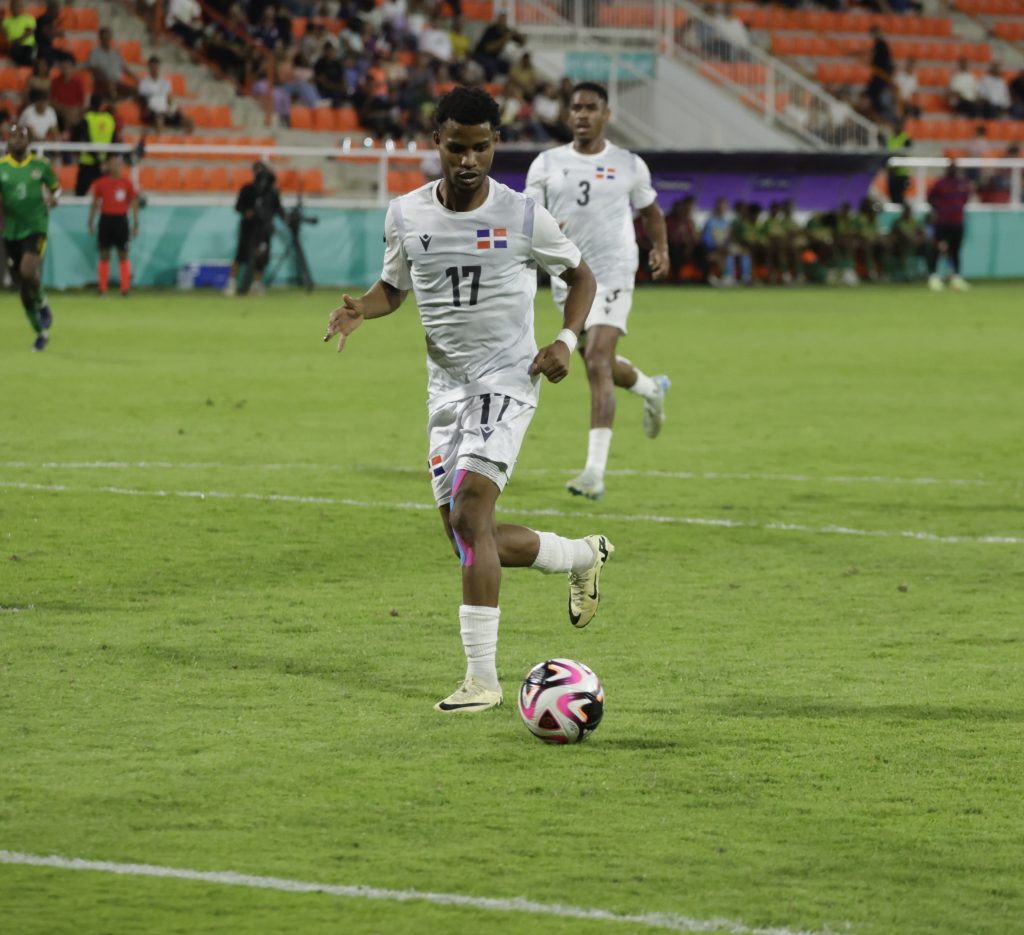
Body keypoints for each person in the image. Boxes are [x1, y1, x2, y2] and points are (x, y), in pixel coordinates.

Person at [322, 86, 611, 714]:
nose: (469, 159)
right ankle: (583, 554)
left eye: (481, 146)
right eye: (457, 146)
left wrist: (565, 338)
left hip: (508, 378)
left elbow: (581, 275)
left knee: (472, 505)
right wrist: (361, 311)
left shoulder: (522, 214)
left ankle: (482, 680)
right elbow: (394, 288)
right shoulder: (406, 214)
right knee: (467, 535)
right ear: (437, 144)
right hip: (445, 389)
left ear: (495, 145)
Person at [525, 82, 670, 501]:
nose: (582, 115)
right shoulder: (547, 163)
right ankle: (650, 388)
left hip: (614, 273)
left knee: (597, 362)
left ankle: (594, 472)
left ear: (606, 114)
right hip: (568, 279)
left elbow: (651, 212)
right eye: (576, 108)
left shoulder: (628, 163)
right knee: (596, 361)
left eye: (591, 108)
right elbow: (528, 213)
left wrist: (660, 247)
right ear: (568, 115)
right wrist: (544, 230)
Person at [0, 123, 60, 351]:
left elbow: (56, 188)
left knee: (28, 270)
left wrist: (55, 198)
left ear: (28, 142)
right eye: (13, 136)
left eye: (22, 136)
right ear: (8, 141)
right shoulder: (1, 167)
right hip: (11, 231)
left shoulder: (40, 166)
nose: (17, 140)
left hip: (36, 226)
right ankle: (40, 332)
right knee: (24, 289)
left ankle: (43, 302)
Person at [224, 161, 285, 297]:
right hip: (248, 228)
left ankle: (256, 284)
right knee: (241, 255)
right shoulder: (247, 189)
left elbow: (278, 209)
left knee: (262, 257)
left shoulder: (272, 192)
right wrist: (247, 212)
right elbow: (238, 207)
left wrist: (284, 219)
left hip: (264, 229)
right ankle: (231, 283)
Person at [87, 154, 139, 297]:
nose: (116, 167)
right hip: (106, 220)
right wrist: (90, 221)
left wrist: (136, 224)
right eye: (113, 164)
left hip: (121, 221)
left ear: (122, 166)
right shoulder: (101, 183)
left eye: (118, 164)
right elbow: (94, 203)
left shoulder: (127, 183)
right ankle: (102, 288)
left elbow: (134, 204)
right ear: (108, 166)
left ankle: (125, 288)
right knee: (104, 254)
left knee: (123, 254)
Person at [926, 160, 971, 291]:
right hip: (943, 222)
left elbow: (965, 199)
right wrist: (939, 209)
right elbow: (930, 198)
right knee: (939, 249)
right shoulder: (941, 183)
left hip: (957, 222)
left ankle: (955, 278)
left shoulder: (963, 184)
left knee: (955, 250)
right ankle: (934, 277)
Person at [73, 95, 119, 196]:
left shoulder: (86, 118)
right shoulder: (110, 119)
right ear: (102, 105)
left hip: (88, 162)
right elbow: (114, 142)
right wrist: (106, 160)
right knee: (106, 195)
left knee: (80, 195)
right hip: (104, 164)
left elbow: (85, 140)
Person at [137, 56, 195, 133]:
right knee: (159, 119)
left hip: (166, 111)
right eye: (152, 67)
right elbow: (142, 101)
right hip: (153, 112)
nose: (154, 69)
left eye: (156, 67)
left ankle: (187, 142)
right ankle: (160, 141)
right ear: (149, 68)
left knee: (189, 121)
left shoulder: (165, 82)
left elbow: (169, 98)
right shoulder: (143, 83)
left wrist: (174, 108)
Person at [87, 27, 137, 100]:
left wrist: (136, 78)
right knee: (111, 89)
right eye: (105, 37)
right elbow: (93, 68)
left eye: (109, 37)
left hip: (117, 83)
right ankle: (112, 105)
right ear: (100, 38)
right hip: (102, 83)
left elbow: (124, 67)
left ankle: (124, 109)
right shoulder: (95, 53)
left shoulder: (115, 53)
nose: (107, 39)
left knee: (136, 90)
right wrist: (106, 78)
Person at [3, 0, 37, 67]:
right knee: (15, 50)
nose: (15, 8)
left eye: (17, 6)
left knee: (28, 56)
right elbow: (5, 35)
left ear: (20, 7)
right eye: (13, 6)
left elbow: (29, 32)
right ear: (10, 8)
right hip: (14, 47)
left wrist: (16, 41)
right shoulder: (6, 22)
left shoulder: (28, 18)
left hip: (28, 46)